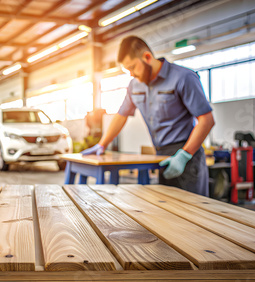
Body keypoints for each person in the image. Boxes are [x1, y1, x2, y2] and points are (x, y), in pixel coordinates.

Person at [81, 36, 215, 196]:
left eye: (132, 67)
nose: (131, 74)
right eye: (127, 70)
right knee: (168, 212)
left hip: (187, 156)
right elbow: (121, 115)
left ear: (147, 57)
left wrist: (184, 155)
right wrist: (102, 144)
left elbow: (206, 120)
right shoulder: (135, 85)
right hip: (160, 156)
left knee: (194, 213)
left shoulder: (183, 78)